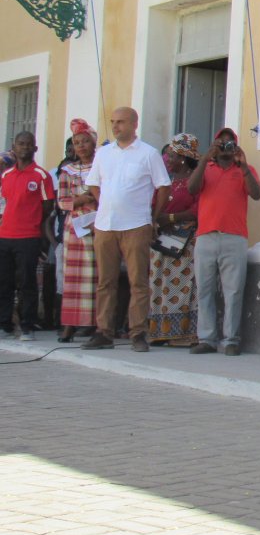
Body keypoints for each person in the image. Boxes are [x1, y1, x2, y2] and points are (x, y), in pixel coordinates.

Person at [84, 107, 171, 352]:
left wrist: (153, 217)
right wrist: (105, 204)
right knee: (106, 281)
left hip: (136, 225)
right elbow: (93, 184)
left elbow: (163, 186)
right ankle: (104, 332)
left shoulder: (148, 154)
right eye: (113, 122)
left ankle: (138, 333)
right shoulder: (103, 153)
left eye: (120, 122)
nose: (115, 126)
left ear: (134, 124)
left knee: (138, 282)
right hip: (105, 225)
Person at [188, 127, 260, 356]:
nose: (226, 147)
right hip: (206, 236)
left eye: (230, 143)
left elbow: (257, 194)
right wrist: (204, 160)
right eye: (222, 143)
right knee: (205, 290)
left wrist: (243, 166)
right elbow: (192, 189)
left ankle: (231, 339)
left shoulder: (245, 170)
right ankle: (207, 338)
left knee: (233, 291)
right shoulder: (206, 168)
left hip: (235, 237)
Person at [147, 134, 201, 347]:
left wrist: (170, 218)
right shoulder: (164, 180)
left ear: (183, 157)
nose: (166, 159)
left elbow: (197, 209)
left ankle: (183, 334)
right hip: (160, 239)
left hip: (184, 241)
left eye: (171, 155)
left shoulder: (194, 181)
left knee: (183, 287)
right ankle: (160, 331)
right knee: (158, 284)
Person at [0, 132, 55, 340]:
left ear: (35, 148)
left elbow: (47, 205)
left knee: (27, 283)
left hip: (28, 236)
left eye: (28, 144)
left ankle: (27, 326)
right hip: (4, 236)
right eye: (20, 144)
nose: (24, 148)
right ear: (14, 146)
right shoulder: (5, 175)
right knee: (4, 282)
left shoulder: (41, 176)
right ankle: (4, 325)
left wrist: (33, 225)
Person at [57, 120, 99, 343]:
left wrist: (87, 201)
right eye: (77, 142)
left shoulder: (102, 166)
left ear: (93, 143)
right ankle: (69, 324)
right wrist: (83, 199)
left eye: (85, 141)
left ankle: (92, 324)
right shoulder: (67, 171)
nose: (81, 146)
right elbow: (62, 202)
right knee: (71, 278)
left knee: (96, 276)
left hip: (97, 225)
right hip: (74, 229)